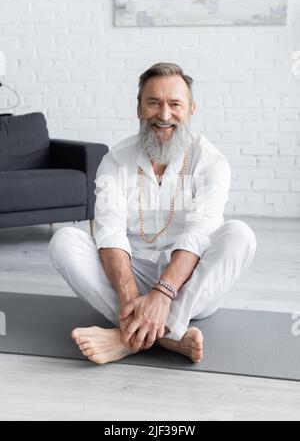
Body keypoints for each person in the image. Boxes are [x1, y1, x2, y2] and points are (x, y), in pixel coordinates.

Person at [48, 62, 257, 365]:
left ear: (191, 110)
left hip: (190, 286)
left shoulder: (211, 162)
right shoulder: (115, 160)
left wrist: (162, 294)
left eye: (175, 104)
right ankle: (169, 336)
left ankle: (129, 338)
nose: (164, 114)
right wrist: (133, 295)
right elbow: (110, 232)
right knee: (63, 240)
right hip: (130, 279)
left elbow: (200, 233)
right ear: (139, 108)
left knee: (240, 234)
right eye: (153, 103)